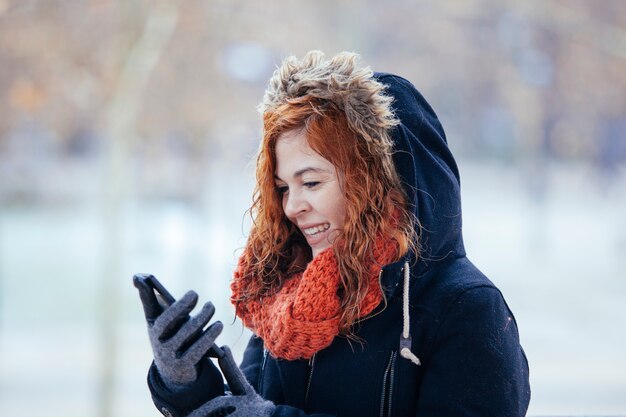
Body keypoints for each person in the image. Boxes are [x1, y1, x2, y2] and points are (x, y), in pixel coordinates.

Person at [135, 51, 531, 417]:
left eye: (310, 182)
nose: (292, 207)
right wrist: (187, 385)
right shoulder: (289, 301)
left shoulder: (465, 310)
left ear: (376, 181)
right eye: (284, 188)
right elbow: (247, 408)